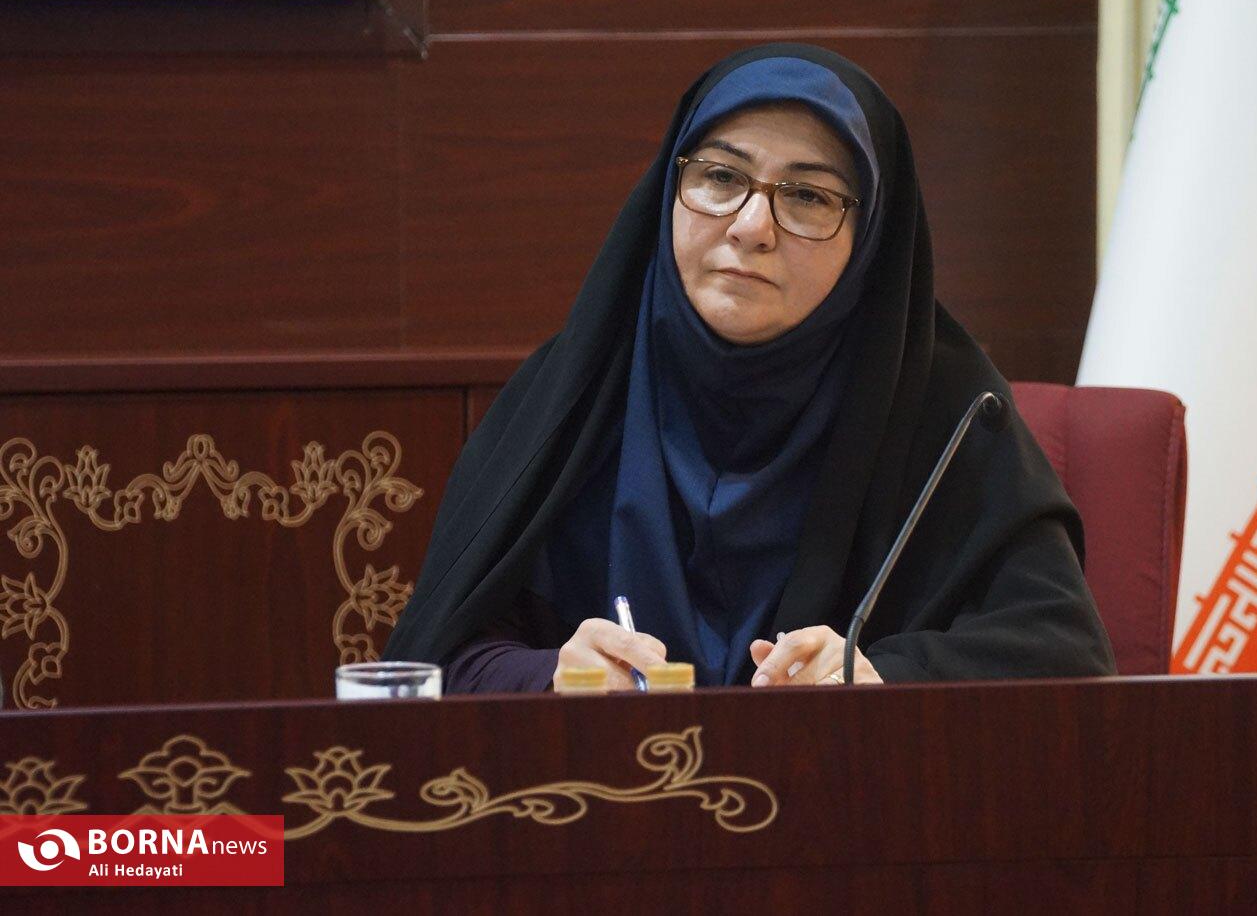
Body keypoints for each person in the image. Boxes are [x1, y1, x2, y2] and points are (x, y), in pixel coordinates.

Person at [382, 44, 1115, 691]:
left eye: (808, 196)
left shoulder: (944, 407)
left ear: (870, 238)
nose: (750, 226)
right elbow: (431, 664)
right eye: (719, 176)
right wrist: (551, 675)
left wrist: (884, 673)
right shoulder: (572, 393)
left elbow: (1064, 654)